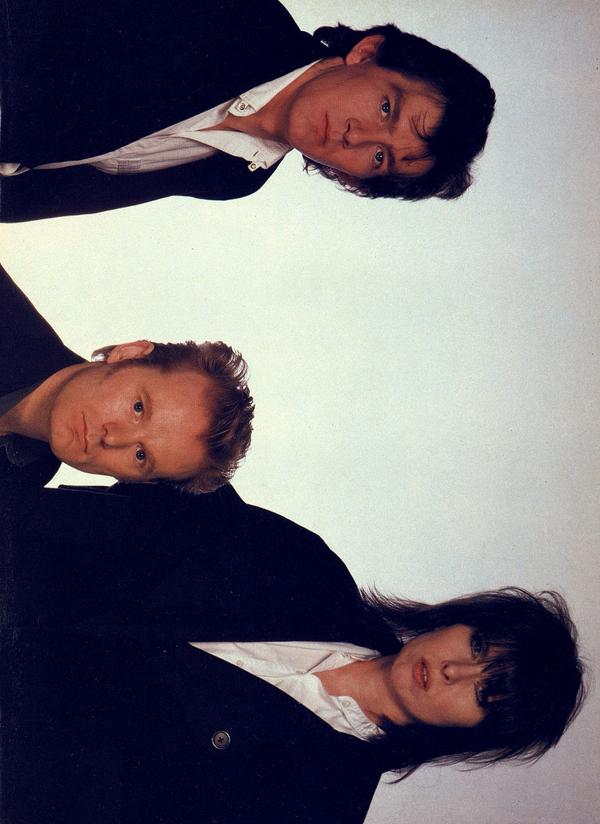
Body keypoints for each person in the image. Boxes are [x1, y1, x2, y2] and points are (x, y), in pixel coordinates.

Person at [0, 480, 586, 824]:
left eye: (485, 691)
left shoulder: (320, 805)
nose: (454, 669)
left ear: (474, 733)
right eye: (478, 644)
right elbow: (158, 498)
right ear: (457, 619)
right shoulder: (309, 569)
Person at [0, 0, 495, 222]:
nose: (356, 137)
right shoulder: (240, 13)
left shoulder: (238, 178)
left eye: (380, 158)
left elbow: (43, 191)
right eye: (386, 108)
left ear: (358, 179)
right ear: (367, 53)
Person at [0, 263, 254, 490]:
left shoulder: (25, 478)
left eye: (141, 455)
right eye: (138, 408)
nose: (113, 438)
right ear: (128, 354)